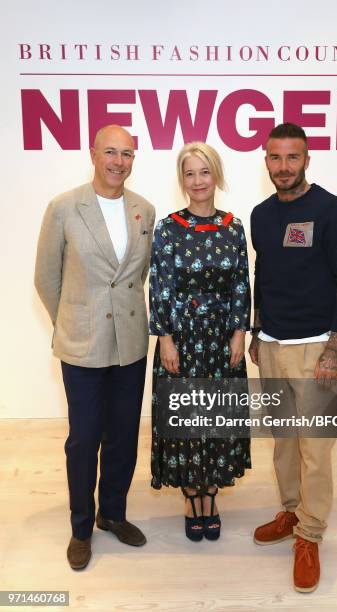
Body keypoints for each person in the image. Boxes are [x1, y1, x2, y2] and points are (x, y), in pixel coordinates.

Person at [34, 125, 155, 570]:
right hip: (81, 344)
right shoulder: (64, 207)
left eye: (127, 154)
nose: (118, 161)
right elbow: (47, 278)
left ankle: (113, 514)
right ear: (93, 154)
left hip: (131, 344)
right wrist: (71, 320)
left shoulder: (145, 209)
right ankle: (81, 527)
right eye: (110, 151)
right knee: (83, 440)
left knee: (123, 436)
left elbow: (134, 279)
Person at [249, 123, 337, 592]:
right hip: (272, 346)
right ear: (266, 160)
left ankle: (310, 534)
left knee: (315, 448)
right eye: (275, 158)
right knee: (283, 442)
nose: (283, 167)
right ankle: (291, 510)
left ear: (307, 160)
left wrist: (334, 348)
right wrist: (257, 332)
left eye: (292, 158)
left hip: (318, 346)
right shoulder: (259, 214)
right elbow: (264, 275)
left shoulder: (331, 211)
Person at [149, 142, 251, 541]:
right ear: (182, 180)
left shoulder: (234, 226)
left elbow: (242, 282)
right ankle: (191, 496)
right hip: (183, 339)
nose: (198, 181)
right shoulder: (169, 227)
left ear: (216, 175)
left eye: (204, 172)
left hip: (222, 340)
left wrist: (240, 333)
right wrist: (166, 340)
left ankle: (211, 492)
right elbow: (160, 284)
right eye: (189, 174)